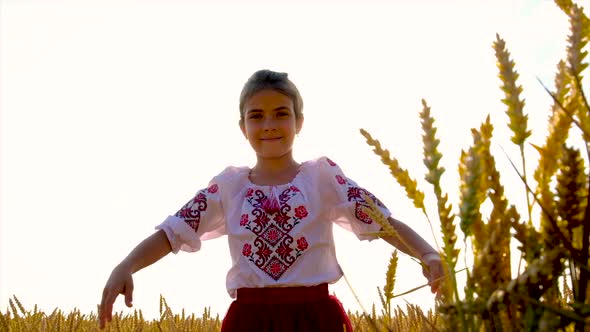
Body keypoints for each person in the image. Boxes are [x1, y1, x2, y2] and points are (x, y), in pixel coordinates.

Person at [98, 69, 444, 331]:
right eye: (256, 115)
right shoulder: (228, 187)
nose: (269, 124)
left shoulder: (323, 177)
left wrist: (428, 254)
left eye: (281, 113)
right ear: (242, 126)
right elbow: (172, 233)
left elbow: (383, 222)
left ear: (299, 122)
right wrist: (125, 266)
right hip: (249, 321)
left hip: (316, 318)